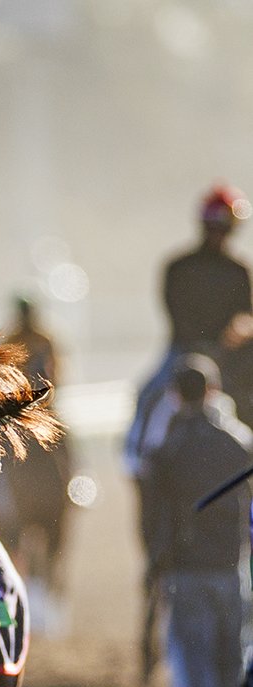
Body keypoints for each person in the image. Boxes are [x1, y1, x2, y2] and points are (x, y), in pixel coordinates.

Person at [140, 354, 252, 687]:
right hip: (230, 564)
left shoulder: (166, 453)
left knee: (194, 657)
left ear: (174, 396)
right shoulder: (237, 445)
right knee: (232, 652)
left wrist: (155, 560)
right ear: (212, 391)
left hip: (186, 567)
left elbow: (155, 517)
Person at [125, 184, 252, 475]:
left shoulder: (239, 270)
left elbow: (245, 314)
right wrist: (203, 345)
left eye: (226, 227)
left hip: (227, 354)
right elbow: (174, 311)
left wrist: (233, 337)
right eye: (216, 226)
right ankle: (137, 463)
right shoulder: (178, 266)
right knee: (145, 396)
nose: (220, 233)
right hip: (183, 351)